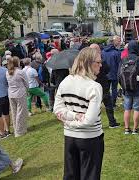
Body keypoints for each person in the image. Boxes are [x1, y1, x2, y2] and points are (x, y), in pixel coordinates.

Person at [54, 47, 104, 180]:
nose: (101, 65)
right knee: (89, 176)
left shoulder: (66, 81)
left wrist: (68, 120)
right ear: (88, 63)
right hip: (90, 138)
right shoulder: (94, 87)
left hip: (70, 136)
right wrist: (75, 116)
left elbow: (59, 110)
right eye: (98, 62)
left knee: (71, 175)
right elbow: (89, 120)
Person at [119, 40, 139, 135]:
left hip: (126, 89)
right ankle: (135, 129)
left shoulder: (123, 60)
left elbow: (119, 75)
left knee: (127, 108)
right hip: (138, 88)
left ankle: (126, 128)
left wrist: (123, 85)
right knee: (137, 109)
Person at [90, 43, 120, 128]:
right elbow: (107, 69)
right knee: (108, 105)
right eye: (99, 49)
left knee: (94, 106)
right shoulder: (100, 60)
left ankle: (98, 123)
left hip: (94, 86)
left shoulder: (87, 62)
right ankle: (111, 122)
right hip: (102, 85)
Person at [6, 57, 29, 137]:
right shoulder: (20, 72)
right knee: (20, 112)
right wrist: (27, 90)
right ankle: (19, 131)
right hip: (20, 94)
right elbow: (26, 83)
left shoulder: (7, 72)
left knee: (14, 112)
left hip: (11, 94)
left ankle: (18, 129)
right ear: (17, 63)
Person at [102, 36, 121, 107]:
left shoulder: (103, 52)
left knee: (106, 90)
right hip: (114, 73)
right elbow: (119, 63)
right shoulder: (116, 53)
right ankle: (113, 104)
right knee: (114, 89)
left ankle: (107, 103)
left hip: (105, 74)